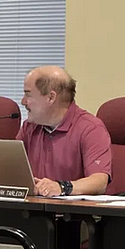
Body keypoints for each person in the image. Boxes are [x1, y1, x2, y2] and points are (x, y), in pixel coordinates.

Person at [17, 66, 112, 197]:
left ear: (51, 97)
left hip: (71, 214)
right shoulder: (29, 127)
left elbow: (99, 181)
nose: (23, 101)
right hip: (31, 209)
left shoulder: (91, 128)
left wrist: (62, 187)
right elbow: (11, 170)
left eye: (28, 94)